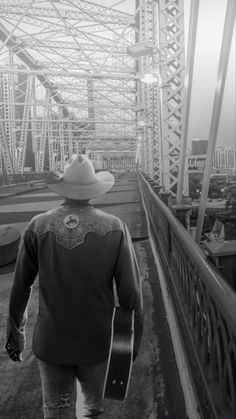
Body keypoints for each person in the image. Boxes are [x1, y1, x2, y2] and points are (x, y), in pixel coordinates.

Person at [5, 154, 143, 418]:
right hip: (98, 343)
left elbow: (21, 287)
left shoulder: (38, 226)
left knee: (56, 411)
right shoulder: (115, 227)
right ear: (93, 189)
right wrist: (128, 347)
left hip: (51, 342)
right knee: (91, 411)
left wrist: (16, 336)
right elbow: (130, 295)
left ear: (63, 188)